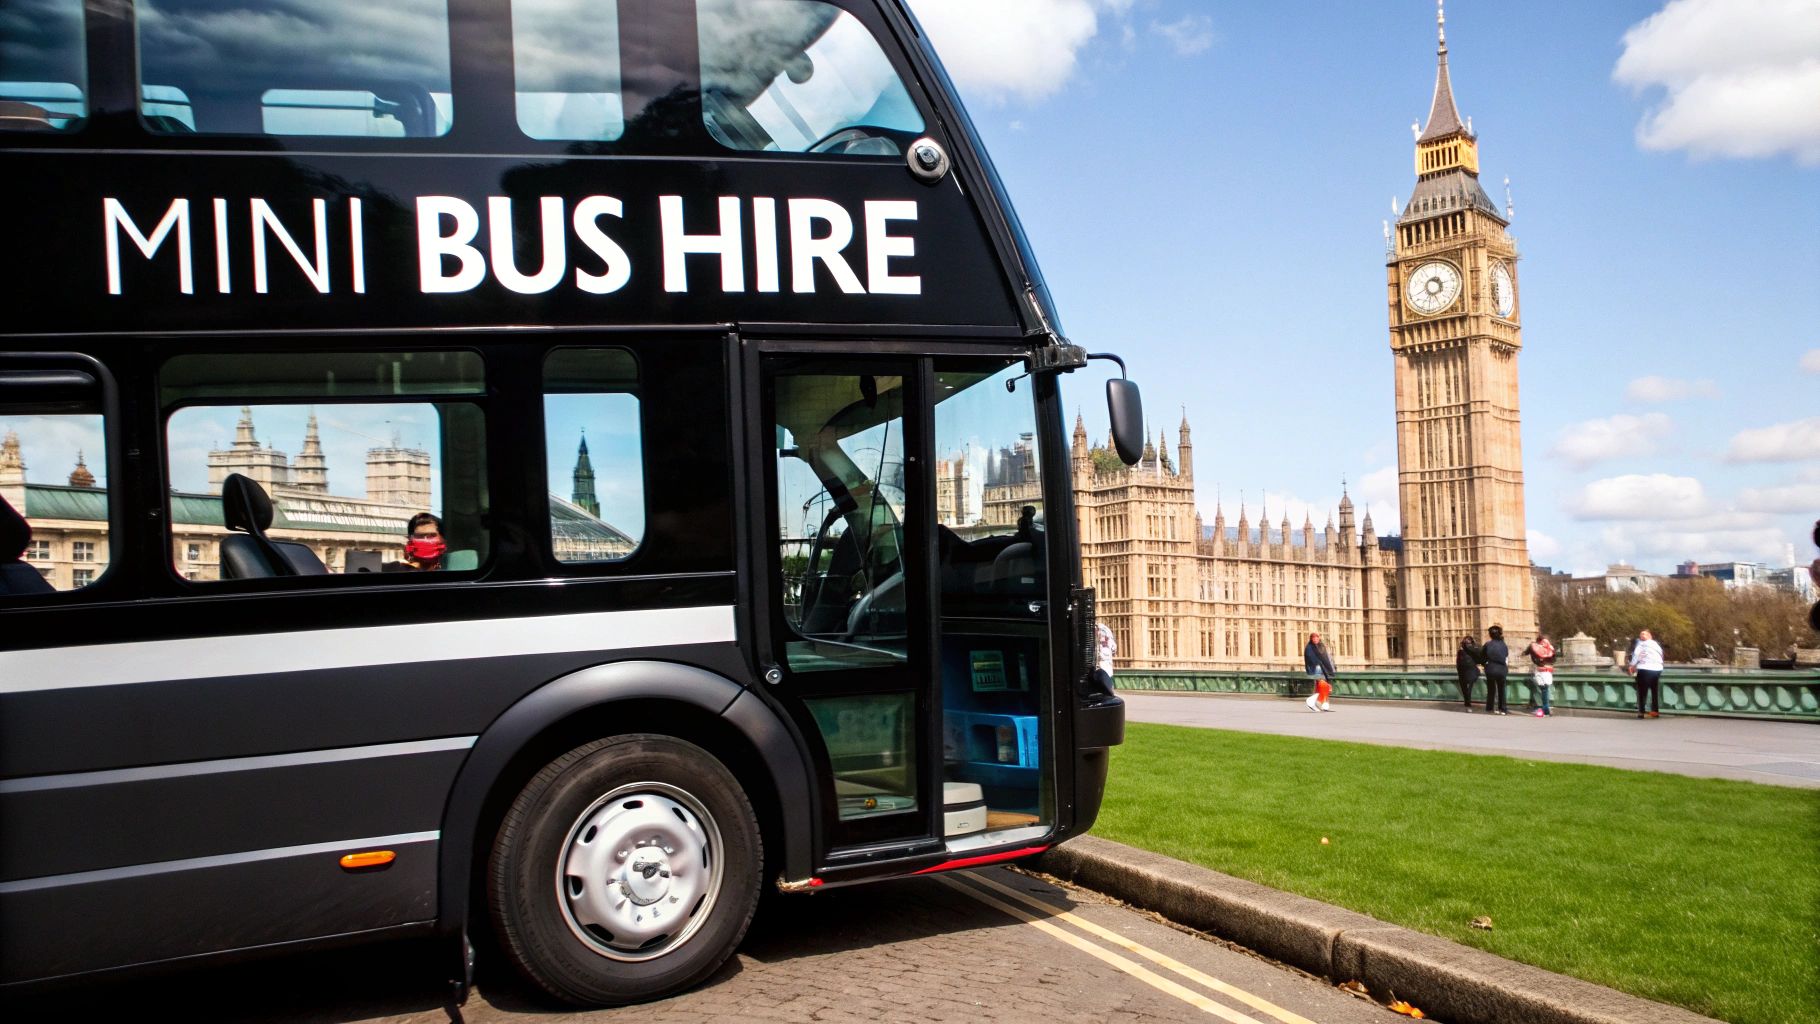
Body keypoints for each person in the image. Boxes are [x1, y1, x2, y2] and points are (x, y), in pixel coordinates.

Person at [1629, 628, 1665, 718]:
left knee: (1642, 691)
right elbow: (1661, 655)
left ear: (1649, 636)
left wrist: (1632, 665)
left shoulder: (1641, 644)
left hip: (1645, 668)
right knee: (1654, 690)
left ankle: (1641, 711)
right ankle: (1655, 711)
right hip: (1657, 669)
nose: (1641, 636)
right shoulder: (1656, 645)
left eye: (1643, 634)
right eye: (1640, 634)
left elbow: (1636, 655)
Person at [1303, 632, 1335, 712]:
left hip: (1324, 669)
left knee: (1323, 686)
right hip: (1316, 669)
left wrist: (1331, 668)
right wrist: (1319, 663)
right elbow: (1310, 659)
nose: (1315, 639)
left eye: (1317, 638)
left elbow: (1327, 658)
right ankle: (1317, 701)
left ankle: (1320, 703)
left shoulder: (1322, 646)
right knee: (1322, 684)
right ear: (1311, 639)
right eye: (1313, 638)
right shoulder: (1309, 647)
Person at [1482, 624, 1510, 715]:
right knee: (1502, 689)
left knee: (1491, 689)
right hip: (1501, 669)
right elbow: (1506, 655)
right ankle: (1503, 708)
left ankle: (1489, 708)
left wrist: (1485, 664)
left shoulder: (1487, 644)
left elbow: (1482, 656)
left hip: (1490, 669)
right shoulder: (1504, 645)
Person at [1526, 634, 1557, 717]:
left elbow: (1526, 652)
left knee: (1543, 690)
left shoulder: (1535, 646)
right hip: (1548, 671)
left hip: (1540, 671)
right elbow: (1554, 659)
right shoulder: (1550, 648)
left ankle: (1545, 709)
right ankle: (1546, 708)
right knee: (1545, 690)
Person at [1089, 620, 1118, 701]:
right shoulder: (1106, 629)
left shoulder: (1091, 629)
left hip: (1097, 666)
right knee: (1109, 693)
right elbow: (1114, 648)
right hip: (1107, 666)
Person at [1455, 635, 1483, 712]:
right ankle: (1468, 701)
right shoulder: (1473, 649)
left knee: (1464, 686)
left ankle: (1467, 702)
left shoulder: (1460, 651)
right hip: (1471, 671)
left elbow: (1458, 663)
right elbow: (1479, 658)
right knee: (1470, 685)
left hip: (1462, 672)